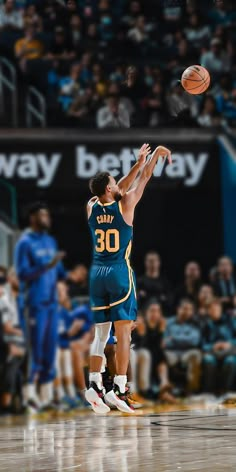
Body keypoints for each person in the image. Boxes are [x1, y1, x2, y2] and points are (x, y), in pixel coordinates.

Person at [85, 143, 172, 413]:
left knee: (101, 334)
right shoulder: (127, 205)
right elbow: (143, 179)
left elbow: (117, 188)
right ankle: (120, 389)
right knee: (124, 334)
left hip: (97, 274)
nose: (118, 183)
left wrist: (136, 163)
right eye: (114, 181)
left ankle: (94, 384)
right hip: (119, 274)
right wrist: (154, 156)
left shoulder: (90, 205)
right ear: (110, 189)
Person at [14, 202, 66, 411]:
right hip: (34, 304)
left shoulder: (50, 241)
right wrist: (47, 266)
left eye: (48, 215)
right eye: (43, 215)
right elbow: (21, 274)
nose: (47, 219)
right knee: (34, 351)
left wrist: (71, 278)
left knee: (49, 351)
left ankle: (45, 398)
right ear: (33, 218)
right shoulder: (24, 242)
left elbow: (59, 272)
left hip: (52, 304)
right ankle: (29, 396)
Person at [164, 299, 202, 394]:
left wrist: (173, 338)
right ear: (178, 309)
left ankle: (191, 390)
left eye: (190, 309)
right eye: (185, 308)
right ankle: (165, 390)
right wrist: (184, 340)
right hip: (170, 352)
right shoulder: (167, 322)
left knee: (196, 354)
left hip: (187, 353)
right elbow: (164, 343)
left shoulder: (195, 323)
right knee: (162, 355)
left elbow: (194, 341)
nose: (187, 312)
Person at [202, 299, 236, 394]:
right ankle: (209, 391)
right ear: (208, 311)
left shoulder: (230, 321)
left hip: (229, 350)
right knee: (208, 360)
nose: (215, 311)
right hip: (213, 352)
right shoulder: (205, 324)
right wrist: (213, 346)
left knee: (230, 361)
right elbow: (202, 344)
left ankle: (226, 391)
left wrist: (229, 343)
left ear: (221, 309)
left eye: (217, 308)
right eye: (212, 309)